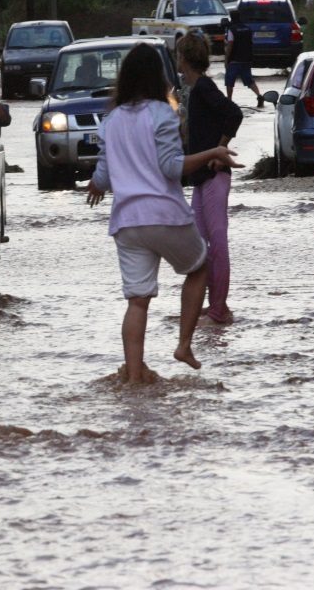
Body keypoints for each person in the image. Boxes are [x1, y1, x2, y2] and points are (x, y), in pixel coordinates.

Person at [85, 42, 242, 384]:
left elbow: (103, 176)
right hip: (164, 214)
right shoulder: (161, 113)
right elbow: (171, 169)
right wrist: (213, 151)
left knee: (137, 301)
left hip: (126, 222)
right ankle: (184, 346)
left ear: (125, 77)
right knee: (200, 267)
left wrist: (95, 187)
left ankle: (135, 375)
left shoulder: (109, 121)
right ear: (157, 76)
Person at [179, 32, 243, 325]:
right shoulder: (193, 91)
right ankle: (214, 304)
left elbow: (234, 113)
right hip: (200, 179)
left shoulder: (204, 87)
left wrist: (220, 149)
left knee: (217, 241)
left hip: (216, 175)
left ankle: (220, 307)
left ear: (184, 59)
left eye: (178, 56)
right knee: (200, 245)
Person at [223, 9, 265, 107]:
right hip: (246, 59)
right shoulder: (247, 28)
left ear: (231, 17)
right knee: (249, 80)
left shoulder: (232, 29)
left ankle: (229, 100)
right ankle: (259, 96)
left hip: (234, 60)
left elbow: (230, 45)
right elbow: (250, 43)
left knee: (229, 81)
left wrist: (226, 59)